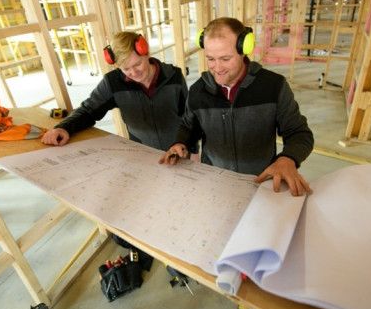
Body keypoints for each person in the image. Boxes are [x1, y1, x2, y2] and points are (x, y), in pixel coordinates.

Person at [42, 30, 196, 273]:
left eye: (137, 64)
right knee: (145, 205)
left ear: (146, 52)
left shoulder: (173, 76)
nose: (134, 73)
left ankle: (181, 254)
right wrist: (64, 127)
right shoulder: (113, 83)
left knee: (180, 208)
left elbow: (189, 118)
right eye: (126, 69)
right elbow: (89, 110)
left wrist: (190, 149)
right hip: (143, 156)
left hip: (178, 153)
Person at [159, 17, 314, 197]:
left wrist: (288, 158)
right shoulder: (197, 91)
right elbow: (188, 126)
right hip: (215, 181)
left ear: (244, 49)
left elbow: (300, 133)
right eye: (210, 59)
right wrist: (180, 142)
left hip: (260, 182)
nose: (217, 68)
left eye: (225, 59)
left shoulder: (273, 87)